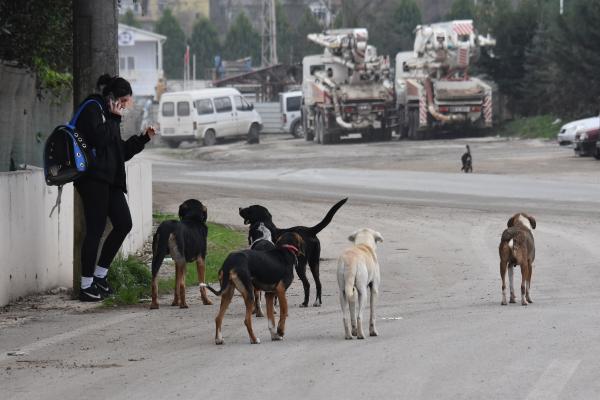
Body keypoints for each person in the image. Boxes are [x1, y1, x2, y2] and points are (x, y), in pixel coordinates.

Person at [75, 74, 156, 301]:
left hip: (110, 181)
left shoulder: (109, 116)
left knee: (123, 223)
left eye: (127, 103)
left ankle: (100, 276)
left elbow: (118, 151)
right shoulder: (93, 108)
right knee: (95, 231)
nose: (125, 107)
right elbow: (99, 140)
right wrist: (113, 118)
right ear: (113, 99)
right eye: (124, 102)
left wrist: (143, 139)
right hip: (92, 179)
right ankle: (86, 285)